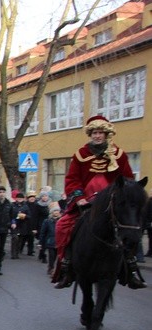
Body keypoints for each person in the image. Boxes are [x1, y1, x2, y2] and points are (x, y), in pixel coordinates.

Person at [53, 115, 144, 289]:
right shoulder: (80, 155)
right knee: (62, 226)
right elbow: (72, 179)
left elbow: (127, 179)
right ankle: (66, 266)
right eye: (94, 133)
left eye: (100, 133)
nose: (97, 136)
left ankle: (131, 268)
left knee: (130, 228)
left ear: (106, 134)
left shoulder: (119, 154)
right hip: (86, 202)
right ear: (90, 134)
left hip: (112, 202)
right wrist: (79, 198)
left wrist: (123, 196)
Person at [0, 186, 14, 275]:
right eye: (0, 192)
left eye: (3, 192)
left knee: (1, 248)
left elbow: (12, 215)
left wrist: (12, 222)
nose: (1, 194)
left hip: (5, 228)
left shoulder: (9, 204)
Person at [40, 203, 61, 276]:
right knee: (52, 257)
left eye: (57, 211)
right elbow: (43, 232)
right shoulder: (47, 221)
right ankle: (51, 268)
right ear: (52, 212)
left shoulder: (61, 220)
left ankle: (55, 270)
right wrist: (41, 242)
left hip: (59, 242)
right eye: (55, 211)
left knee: (58, 257)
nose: (56, 212)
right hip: (50, 241)